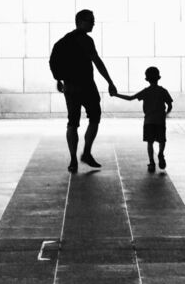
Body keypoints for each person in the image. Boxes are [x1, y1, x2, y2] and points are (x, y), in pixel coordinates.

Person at [49, 9, 118, 173]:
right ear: (80, 22)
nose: (93, 23)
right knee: (95, 117)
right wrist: (110, 82)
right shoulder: (86, 40)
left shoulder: (63, 41)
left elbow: (54, 61)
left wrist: (58, 79)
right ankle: (86, 153)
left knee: (72, 123)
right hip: (86, 86)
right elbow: (97, 62)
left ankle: (73, 159)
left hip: (70, 87)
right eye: (90, 20)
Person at [113, 66, 173, 172]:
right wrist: (166, 114)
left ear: (147, 79)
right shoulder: (163, 91)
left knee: (150, 142)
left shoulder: (146, 91)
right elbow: (170, 105)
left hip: (149, 121)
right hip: (160, 120)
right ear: (158, 78)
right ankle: (161, 154)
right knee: (162, 140)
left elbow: (130, 98)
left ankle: (152, 162)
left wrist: (116, 95)